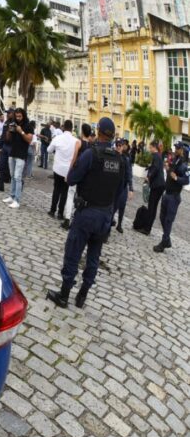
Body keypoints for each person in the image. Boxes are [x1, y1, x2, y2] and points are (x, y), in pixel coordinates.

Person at [47, 117, 124, 309]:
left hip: (87, 212)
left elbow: (71, 179)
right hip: (105, 215)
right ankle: (82, 296)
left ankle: (64, 295)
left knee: (73, 252)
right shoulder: (120, 160)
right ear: (113, 136)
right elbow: (120, 189)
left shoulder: (91, 154)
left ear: (98, 132)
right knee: (93, 257)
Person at [154, 141, 189, 252]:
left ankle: (164, 242)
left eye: (177, 148)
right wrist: (168, 169)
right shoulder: (176, 159)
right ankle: (167, 239)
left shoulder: (184, 165)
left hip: (174, 197)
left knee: (168, 220)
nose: (175, 149)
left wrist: (176, 178)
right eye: (175, 147)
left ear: (182, 150)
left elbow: (186, 180)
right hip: (167, 194)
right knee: (162, 218)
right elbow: (172, 172)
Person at [61, 123, 94, 230]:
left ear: (82, 131)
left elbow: (74, 158)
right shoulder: (92, 146)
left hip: (76, 172)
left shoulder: (78, 142)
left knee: (70, 195)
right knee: (80, 197)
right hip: (86, 176)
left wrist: (69, 173)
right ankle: (76, 220)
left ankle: (67, 219)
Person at [1, 108, 34, 208]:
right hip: (12, 152)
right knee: (12, 176)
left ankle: (17, 200)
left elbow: (29, 140)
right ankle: (12, 196)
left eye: (20, 116)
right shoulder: (13, 123)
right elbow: (8, 139)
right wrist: (9, 131)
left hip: (21, 155)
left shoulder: (28, 126)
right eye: (16, 116)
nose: (18, 118)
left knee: (18, 177)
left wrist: (21, 131)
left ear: (23, 115)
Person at [47, 120, 77, 219]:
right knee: (64, 191)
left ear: (63, 127)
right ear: (72, 128)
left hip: (58, 168)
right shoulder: (75, 141)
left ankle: (52, 210)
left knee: (56, 189)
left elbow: (49, 150)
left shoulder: (58, 138)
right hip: (68, 170)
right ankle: (60, 213)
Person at [136, 141, 165, 236]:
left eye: (150, 147)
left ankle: (147, 229)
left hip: (156, 186)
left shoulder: (156, 156)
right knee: (154, 207)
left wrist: (149, 177)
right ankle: (148, 227)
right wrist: (149, 168)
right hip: (160, 185)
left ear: (154, 147)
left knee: (151, 207)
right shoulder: (159, 156)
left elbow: (156, 168)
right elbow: (155, 167)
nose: (149, 149)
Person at [110, 139, 134, 234]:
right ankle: (107, 228)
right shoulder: (112, 155)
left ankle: (119, 224)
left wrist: (131, 188)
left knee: (122, 205)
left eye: (122, 145)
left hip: (123, 186)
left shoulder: (126, 158)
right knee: (112, 207)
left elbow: (129, 174)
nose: (120, 147)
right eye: (118, 145)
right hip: (113, 186)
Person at [0, 109, 14, 191]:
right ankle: (1, 184)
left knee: (11, 167)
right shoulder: (6, 122)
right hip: (5, 146)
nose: (8, 114)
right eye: (7, 113)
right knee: (1, 166)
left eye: (9, 113)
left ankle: (13, 187)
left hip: (12, 147)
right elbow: (3, 135)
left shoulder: (15, 123)